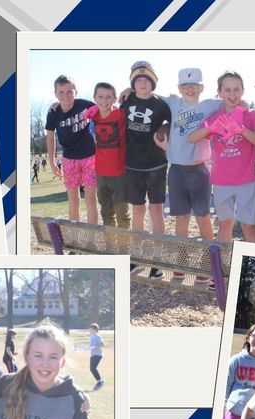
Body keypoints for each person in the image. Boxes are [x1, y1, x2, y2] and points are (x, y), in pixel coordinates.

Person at [189, 71, 255, 245]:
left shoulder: (252, 115)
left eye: (236, 89)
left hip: (247, 180)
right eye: (227, 90)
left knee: (249, 226)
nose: (232, 94)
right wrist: (210, 128)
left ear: (243, 91)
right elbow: (192, 138)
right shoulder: (215, 117)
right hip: (221, 182)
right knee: (225, 224)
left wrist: (242, 130)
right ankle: (224, 267)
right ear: (219, 92)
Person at [159, 68, 222, 248]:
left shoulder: (210, 104)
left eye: (194, 85)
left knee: (203, 217)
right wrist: (128, 91)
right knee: (182, 217)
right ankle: (182, 259)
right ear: (179, 88)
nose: (190, 89)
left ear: (202, 87)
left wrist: (244, 104)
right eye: (185, 85)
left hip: (199, 170)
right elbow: (148, 93)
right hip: (177, 170)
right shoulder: (173, 103)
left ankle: (211, 262)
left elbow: (237, 102)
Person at [124, 61, 172, 271]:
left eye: (147, 80)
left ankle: (158, 258)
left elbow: (172, 122)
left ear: (153, 83)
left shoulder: (162, 105)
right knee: (137, 211)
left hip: (156, 164)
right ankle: (137, 256)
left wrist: (166, 132)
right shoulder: (125, 100)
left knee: (156, 210)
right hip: (133, 164)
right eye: (138, 80)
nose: (143, 83)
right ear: (133, 83)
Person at [46, 75, 97, 224]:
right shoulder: (53, 112)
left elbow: (105, 107)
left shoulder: (85, 105)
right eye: (61, 92)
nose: (65, 95)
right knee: (73, 200)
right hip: (69, 159)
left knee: (90, 199)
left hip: (90, 156)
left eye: (69, 91)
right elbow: (50, 137)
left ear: (76, 91)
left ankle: (91, 239)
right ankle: (75, 239)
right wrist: (52, 161)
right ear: (55, 94)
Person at [82, 82, 130, 228]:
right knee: (106, 213)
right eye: (100, 96)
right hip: (101, 173)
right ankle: (111, 246)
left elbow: (140, 97)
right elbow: (74, 106)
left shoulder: (120, 114)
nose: (104, 100)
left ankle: (123, 247)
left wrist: (130, 89)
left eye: (108, 97)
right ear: (94, 98)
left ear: (115, 99)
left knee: (122, 214)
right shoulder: (92, 115)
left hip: (119, 173)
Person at [88, 323, 106, 391]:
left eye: (91, 328)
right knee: (91, 369)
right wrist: (88, 348)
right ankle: (100, 381)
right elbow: (91, 346)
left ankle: (100, 381)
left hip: (98, 354)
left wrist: (94, 347)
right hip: (93, 354)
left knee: (93, 368)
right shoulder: (91, 336)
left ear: (95, 329)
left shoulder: (98, 336)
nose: (89, 329)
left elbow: (102, 345)